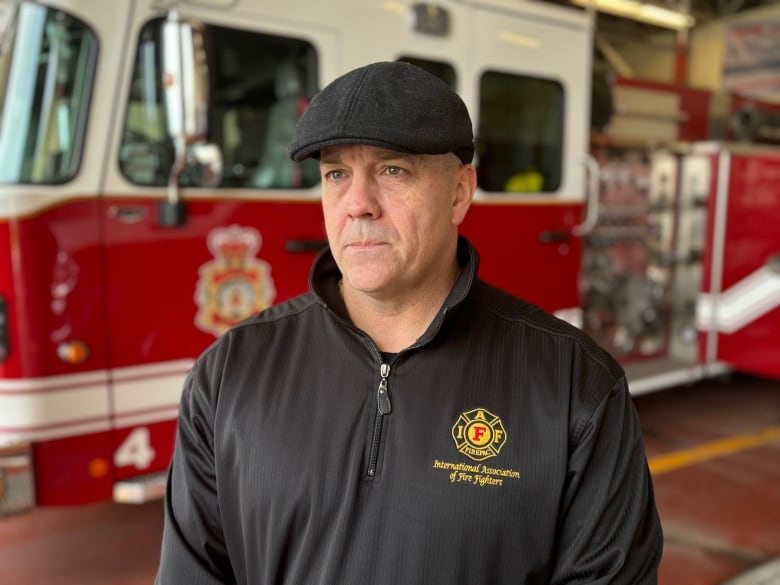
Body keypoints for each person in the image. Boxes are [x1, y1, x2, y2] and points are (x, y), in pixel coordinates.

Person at [156, 61, 663, 584]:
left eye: (392, 170)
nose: (358, 205)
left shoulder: (576, 387)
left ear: (459, 192)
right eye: (336, 174)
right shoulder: (230, 375)